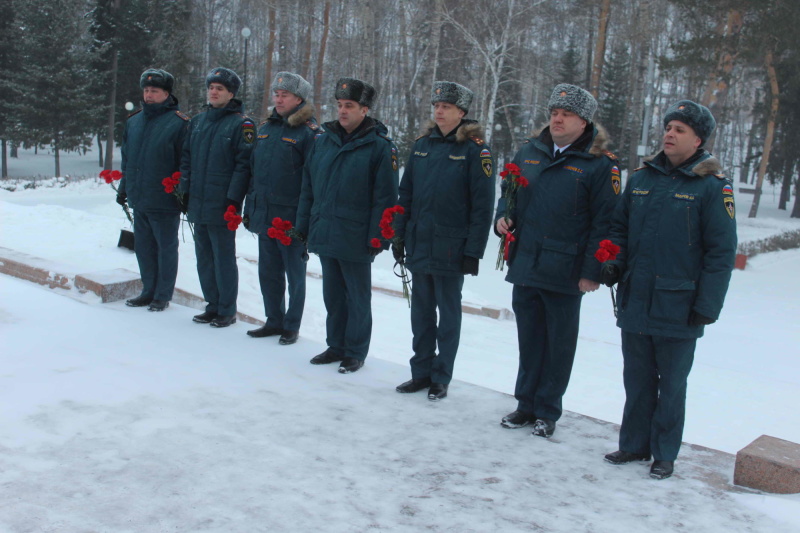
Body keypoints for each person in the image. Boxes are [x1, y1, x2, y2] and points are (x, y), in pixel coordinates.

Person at [601, 100, 737, 480]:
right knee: (637, 378)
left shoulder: (712, 188)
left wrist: (708, 304)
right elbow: (619, 229)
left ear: (698, 140)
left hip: (680, 304)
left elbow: (721, 253)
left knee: (672, 384)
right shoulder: (641, 179)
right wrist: (613, 260)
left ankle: (664, 453)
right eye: (668, 128)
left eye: (680, 130)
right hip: (636, 297)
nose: (669, 135)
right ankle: (633, 444)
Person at [495, 83, 619, 437]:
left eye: (566, 115)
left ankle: (547, 411)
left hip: (566, 269)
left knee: (558, 344)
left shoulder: (599, 164)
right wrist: (502, 218)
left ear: (584, 122)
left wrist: (592, 270)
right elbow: (509, 194)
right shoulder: (530, 151)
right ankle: (525, 405)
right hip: (527, 261)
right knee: (529, 339)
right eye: (554, 113)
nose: (558, 119)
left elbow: (605, 222)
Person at [393, 81, 495, 401]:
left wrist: (473, 252)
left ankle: (441, 376)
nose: (439, 111)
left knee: (448, 317)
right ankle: (420, 373)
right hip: (419, 243)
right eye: (436, 106)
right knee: (420, 313)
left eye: (446, 107)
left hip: (452, 248)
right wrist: (399, 234)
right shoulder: (422, 145)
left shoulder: (475, 150)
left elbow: (482, 206)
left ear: (462, 113)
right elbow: (405, 193)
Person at [295, 77, 399, 374]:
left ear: (364, 110)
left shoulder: (380, 147)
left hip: (356, 234)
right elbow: (308, 188)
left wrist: (379, 237)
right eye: (339, 105)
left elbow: (386, 198)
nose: (342, 111)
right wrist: (303, 225)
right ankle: (335, 345)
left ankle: (355, 350)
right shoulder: (322, 141)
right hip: (325, 228)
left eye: (349, 106)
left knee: (357, 296)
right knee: (333, 294)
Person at [244, 72, 319, 345]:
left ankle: (291, 325)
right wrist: (250, 207)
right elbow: (254, 173)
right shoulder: (265, 129)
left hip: (291, 219)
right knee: (268, 271)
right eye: (276, 94)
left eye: (284, 95)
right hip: (265, 214)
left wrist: (305, 222)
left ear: (298, 99)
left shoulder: (309, 133)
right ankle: (273, 320)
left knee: (294, 275)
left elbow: (313, 181)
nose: (278, 99)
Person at [180, 67, 254, 328]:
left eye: (219, 88)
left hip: (222, 204)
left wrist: (233, 200)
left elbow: (243, 165)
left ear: (231, 93)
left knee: (223, 257)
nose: (213, 91)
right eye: (211, 87)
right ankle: (212, 305)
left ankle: (226, 309)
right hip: (198, 202)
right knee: (204, 257)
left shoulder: (241, 124)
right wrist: (184, 190)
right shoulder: (198, 122)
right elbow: (186, 158)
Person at [118, 68, 189, 312]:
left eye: (154, 91)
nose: (148, 95)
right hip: (140, 196)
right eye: (146, 90)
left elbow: (184, 163)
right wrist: (124, 188)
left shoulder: (179, 123)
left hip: (165, 198)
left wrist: (181, 192)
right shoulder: (135, 121)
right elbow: (127, 159)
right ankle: (148, 290)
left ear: (166, 94)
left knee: (166, 248)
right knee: (144, 247)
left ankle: (162, 294)